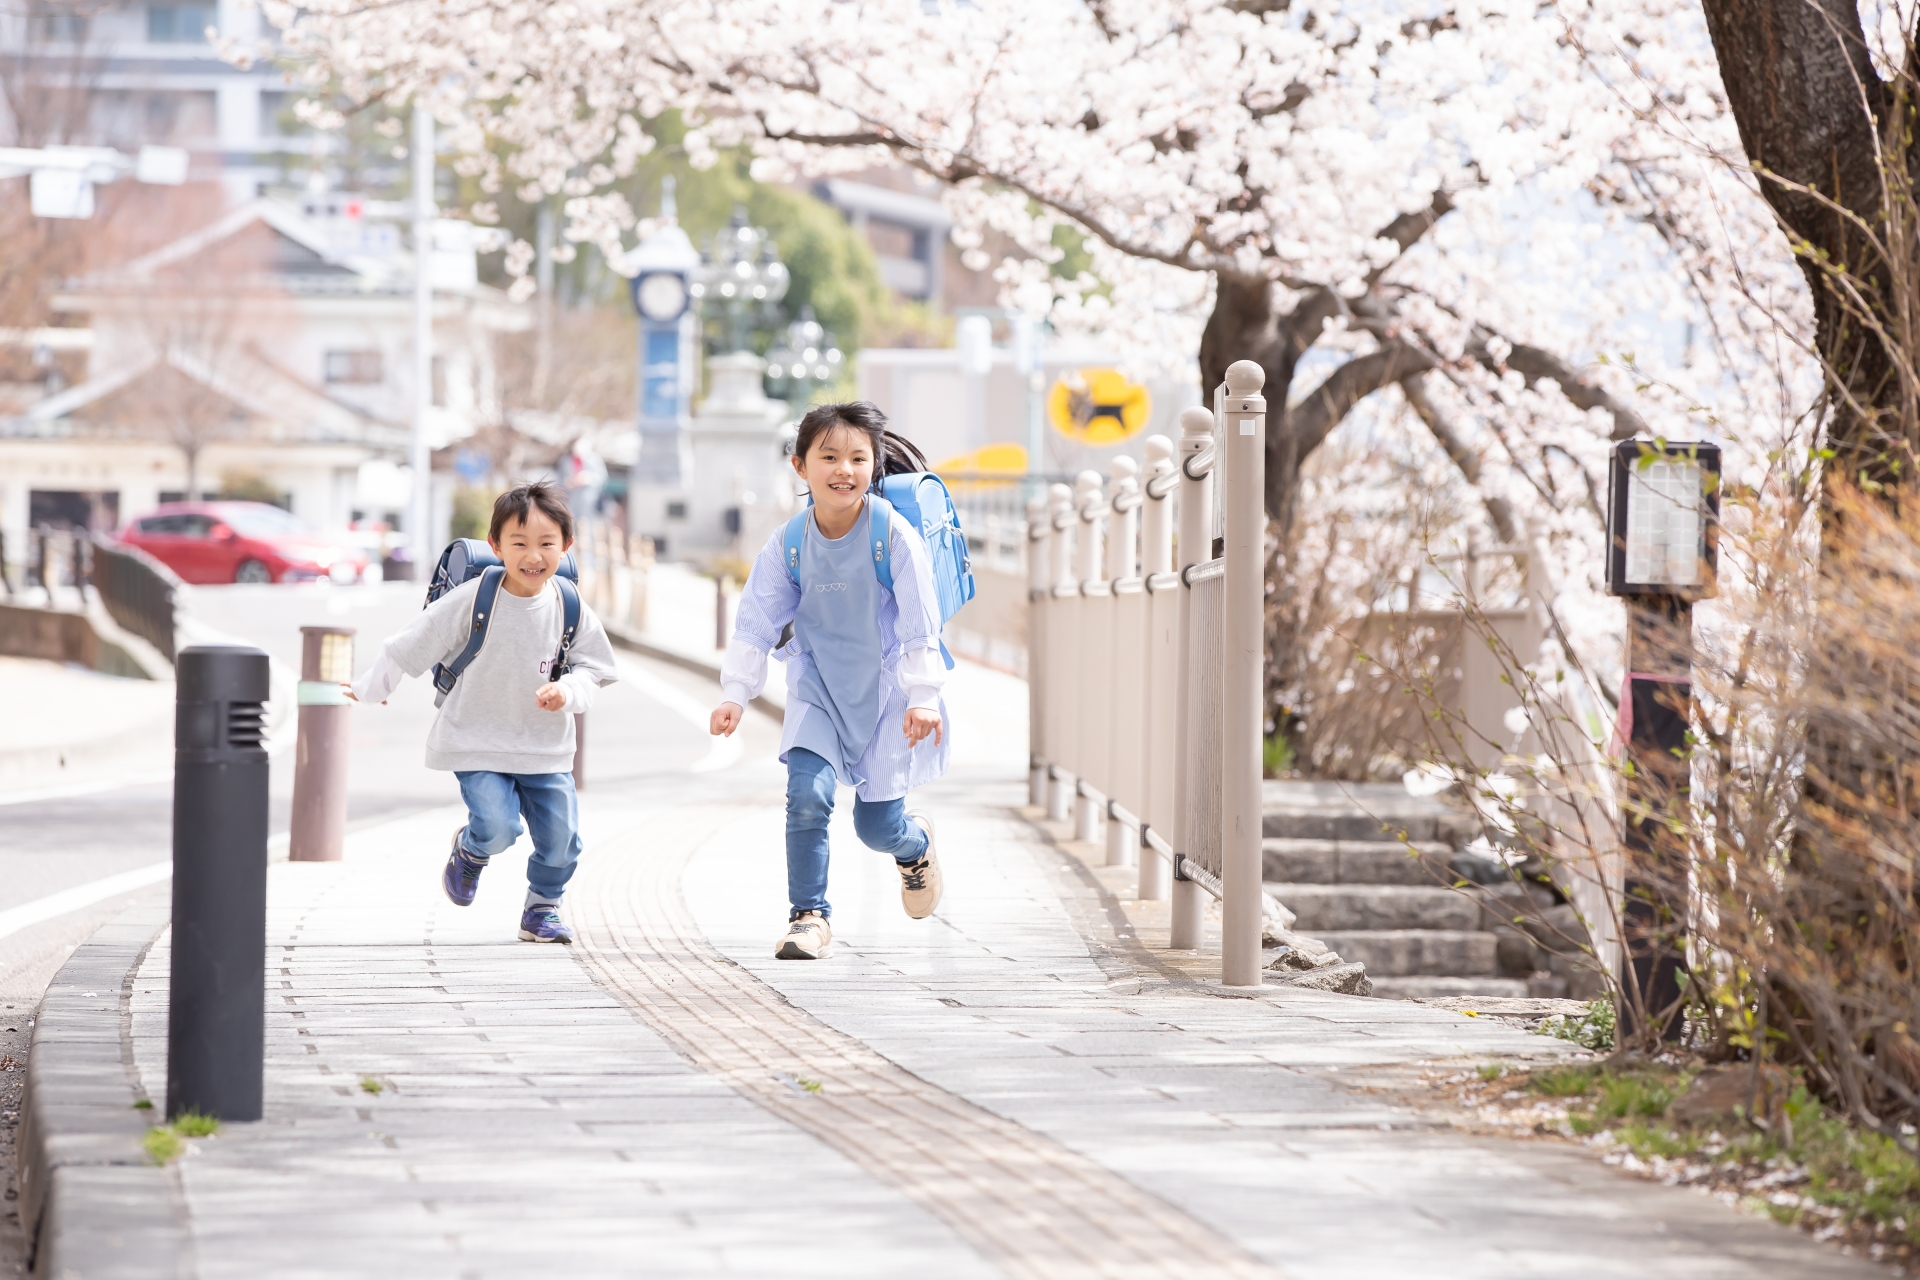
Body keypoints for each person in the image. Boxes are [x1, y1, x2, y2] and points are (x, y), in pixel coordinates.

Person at [710, 402, 950, 960]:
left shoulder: (893, 535)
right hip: (818, 686)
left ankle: (914, 848)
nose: (844, 469)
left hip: (888, 693)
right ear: (800, 466)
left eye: (858, 458)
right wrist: (734, 693)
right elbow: (757, 618)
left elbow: (920, 618)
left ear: (874, 467)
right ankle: (808, 916)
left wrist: (924, 697)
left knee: (876, 828)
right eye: (830, 457)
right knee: (806, 796)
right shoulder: (789, 543)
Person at [348, 481, 617, 944]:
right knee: (496, 827)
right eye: (519, 543)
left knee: (562, 841)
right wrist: (371, 688)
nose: (534, 556)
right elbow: (414, 640)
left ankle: (541, 910)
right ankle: (471, 852)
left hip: (544, 747)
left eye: (546, 544)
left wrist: (568, 690)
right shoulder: (475, 598)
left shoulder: (569, 605)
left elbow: (595, 668)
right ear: (496, 546)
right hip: (476, 739)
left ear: (566, 545)